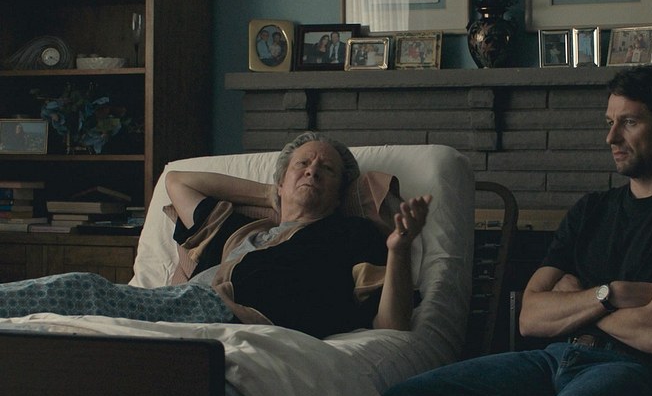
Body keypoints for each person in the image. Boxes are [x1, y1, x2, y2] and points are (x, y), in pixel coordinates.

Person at [383, 66, 652, 396]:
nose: (611, 137)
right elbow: (530, 317)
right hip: (558, 357)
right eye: (609, 122)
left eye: (629, 122)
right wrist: (611, 294)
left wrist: (576, 302)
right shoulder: (591, 210)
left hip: (641, 370)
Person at [0, 132, 431, 339]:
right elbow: (177, 180)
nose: (312, 171)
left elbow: (391, 324)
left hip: (226, 315)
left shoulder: (351, 234)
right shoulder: (238, 229)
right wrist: (271, 196)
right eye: (302, 164)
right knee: (63, 322)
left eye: (327, 169)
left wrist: (399, 250)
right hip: (178, 306)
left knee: (82, 290)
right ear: (282, 181)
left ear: (340, 193)